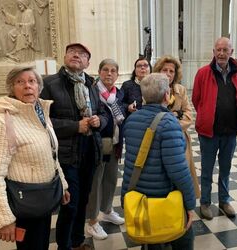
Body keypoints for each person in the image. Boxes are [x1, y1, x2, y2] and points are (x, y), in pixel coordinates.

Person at [0, 66, 70, 250]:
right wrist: (4, 219)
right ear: (12, 89)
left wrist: (62, 186)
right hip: (24, 202)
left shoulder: (40, 114)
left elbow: (52, 155)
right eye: (20, 82)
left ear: (39, 86)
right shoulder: (1, 122)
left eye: (32, 81)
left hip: (43, 198)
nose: (27, 86)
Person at [40, 43, 107, 250]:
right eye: (72, 52)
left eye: (82, 54)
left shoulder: (91, 85)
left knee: (83, 201)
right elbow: (41, 121)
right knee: (70, 204)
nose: (76, 55)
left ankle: (77, 241)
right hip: (66, 155)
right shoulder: (49, 84)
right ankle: (65, 246)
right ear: (65, 56)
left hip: (89, 151)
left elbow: (104, 114)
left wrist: (99, 121)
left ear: (87, 62)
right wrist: (74, 126)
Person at [121, 73, 196, 250]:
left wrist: (125, 196)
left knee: (151, 240)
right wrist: (190, 204)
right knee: (183, 237)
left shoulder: (131, 120)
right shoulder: (170, 123)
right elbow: (178, 171)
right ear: (166, 96)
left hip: (141, 195)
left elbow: (131, 163)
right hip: (164, 197)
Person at [192, 37, 237, 220]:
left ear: (231, 51)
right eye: (218, 50)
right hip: (209, 132)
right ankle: (205, 202)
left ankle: (224, 200)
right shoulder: (202, 73)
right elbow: (196, 99)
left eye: (225, 49)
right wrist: (206, 114)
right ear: (213, 52)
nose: (222, 53)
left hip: (230, 131)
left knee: (226, 168)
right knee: (207, 169)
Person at [85, 59, 125, 240]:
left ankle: (107, 210)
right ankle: (92, 222)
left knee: (110, 179)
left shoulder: (118, 93)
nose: (109, 74)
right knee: (95, 183)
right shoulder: (92, 91)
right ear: (99, 72)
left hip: (114, 144)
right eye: (105, 70)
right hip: (97, 144)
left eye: (113, 71)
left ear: (117, 74)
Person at [153, 55, 200, 198]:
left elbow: (188, 116)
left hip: (179, 139)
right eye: (164, 70)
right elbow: (151, 115)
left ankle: (181, 206)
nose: (168, 74)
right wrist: (173, 116)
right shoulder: (152, 89)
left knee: (180, 172)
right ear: (158, 71)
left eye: (171, 71)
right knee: (161, 173)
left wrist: (170, 124)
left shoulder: (181, 90)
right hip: (158, 139)